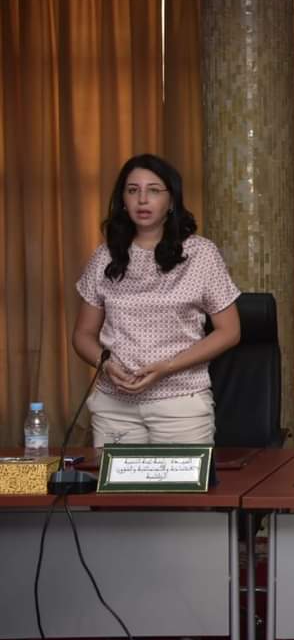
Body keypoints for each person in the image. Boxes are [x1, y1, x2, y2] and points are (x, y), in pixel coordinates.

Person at [72, 154, 241, 447]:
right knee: (117, 480)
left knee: (179, 480)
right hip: (115, 407)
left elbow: (230, 331)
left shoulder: (201, 254)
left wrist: (167, 367)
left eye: (153, 190)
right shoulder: (104, 257)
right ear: (122, 200)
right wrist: (105, 364)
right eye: (132, 190)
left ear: (171, 200)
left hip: (181, 403)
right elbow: (82, 335)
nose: (142, 199)